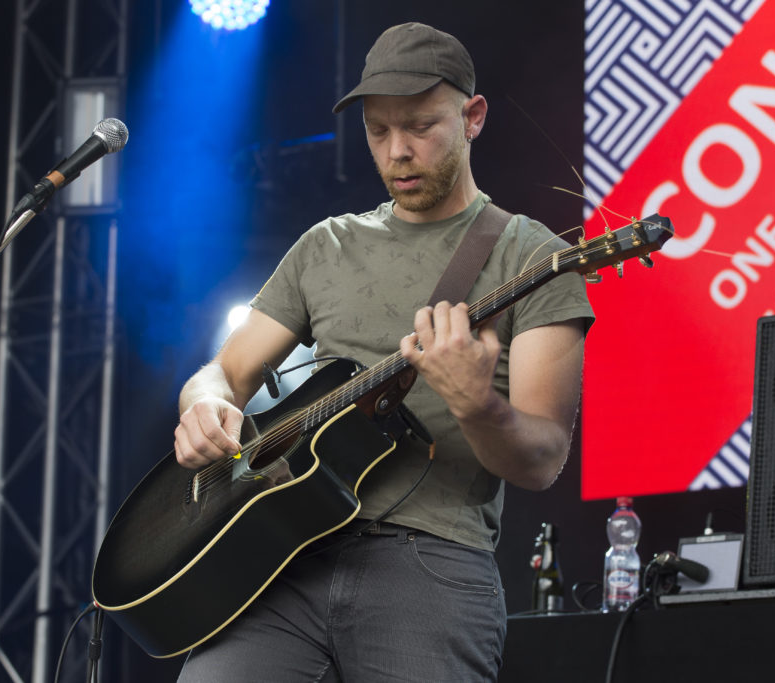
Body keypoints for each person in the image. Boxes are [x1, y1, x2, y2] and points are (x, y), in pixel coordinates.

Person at [173, 21, 594, 682]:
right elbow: (224, 371)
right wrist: (202, 403)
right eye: (378, 131)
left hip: (431, 561)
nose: (398, 151)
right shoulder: (326, 245)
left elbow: (542, 459)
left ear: (472, 116)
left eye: (421, 126)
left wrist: (476, 402)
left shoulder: (534, 257)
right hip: (283, 559)